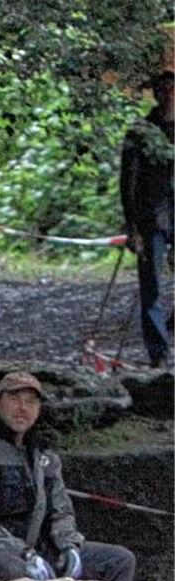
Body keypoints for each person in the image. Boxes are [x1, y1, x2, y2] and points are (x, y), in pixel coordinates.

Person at [0, 372, 136, 581]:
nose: (22, 408)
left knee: (119, 560)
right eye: (14, 399)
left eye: (31, 401)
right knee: (15, 571)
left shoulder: (42, 454)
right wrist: (23, 553)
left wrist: (69, 546)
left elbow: (61, 511)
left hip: (35, 550)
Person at [119, 68, 174, 368]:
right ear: (155, 93)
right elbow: (128, 182)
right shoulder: (140, 131)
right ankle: (159, 353)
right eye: (163, 89)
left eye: (173, 89)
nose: (169, 95)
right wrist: (132, 228)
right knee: (151, 286)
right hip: (151, 218)